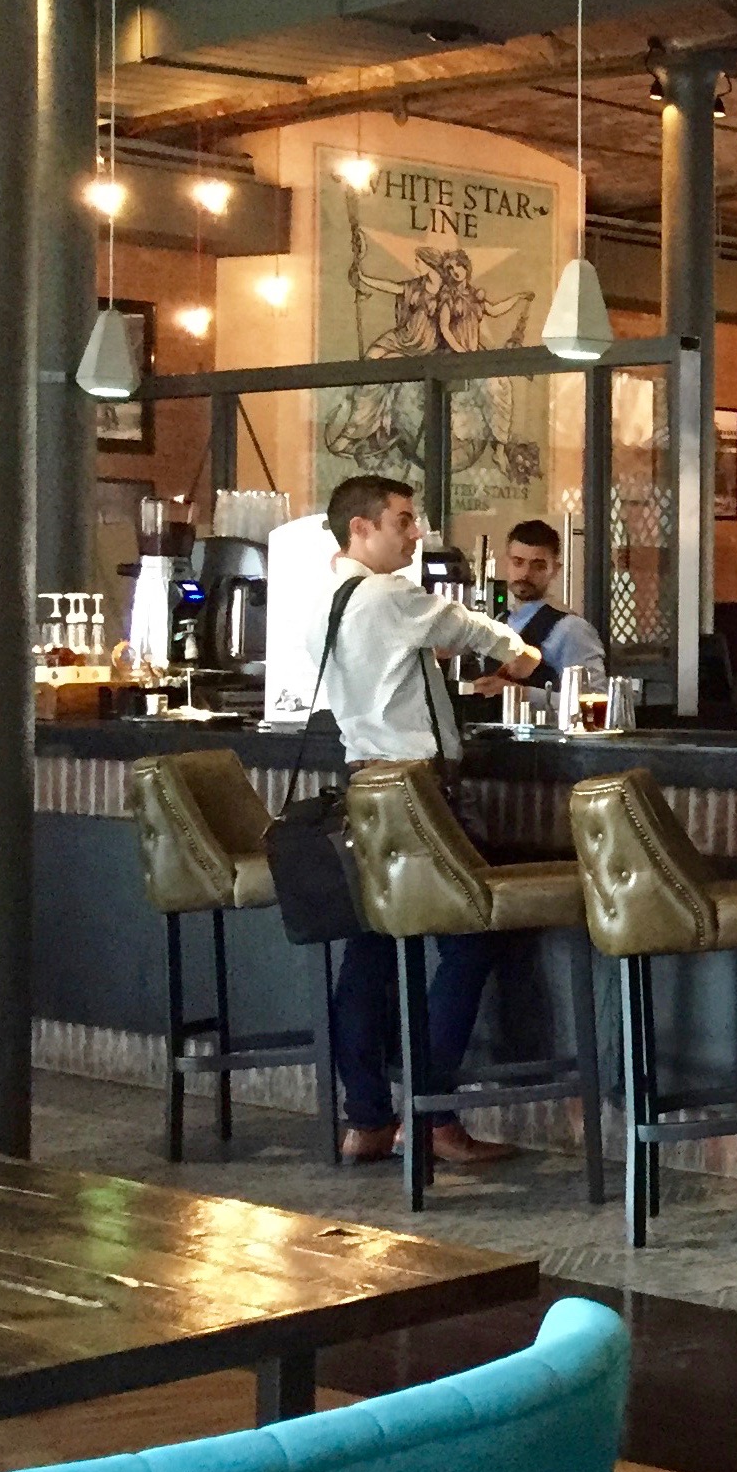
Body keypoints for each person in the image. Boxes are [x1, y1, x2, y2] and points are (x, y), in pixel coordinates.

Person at [311, 473, 545, 1165]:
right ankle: (433, 1116)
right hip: (417, 791)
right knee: (469, 938)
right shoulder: (387, 593)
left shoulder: (329, 597)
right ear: (361, 528)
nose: (415, 534)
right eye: (403, 521)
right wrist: (521, 652)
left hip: (365, 785)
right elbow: (465, 624)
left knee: (370, 949)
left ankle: (367, 1120)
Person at [470, 518, 605, 713]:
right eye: (518, 562)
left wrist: (523, 694)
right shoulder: (500, 621)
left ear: (555, 570)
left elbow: (595, 704)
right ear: (506, 563)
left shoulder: (572, 629)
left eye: (538, 566)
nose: (525, 573)